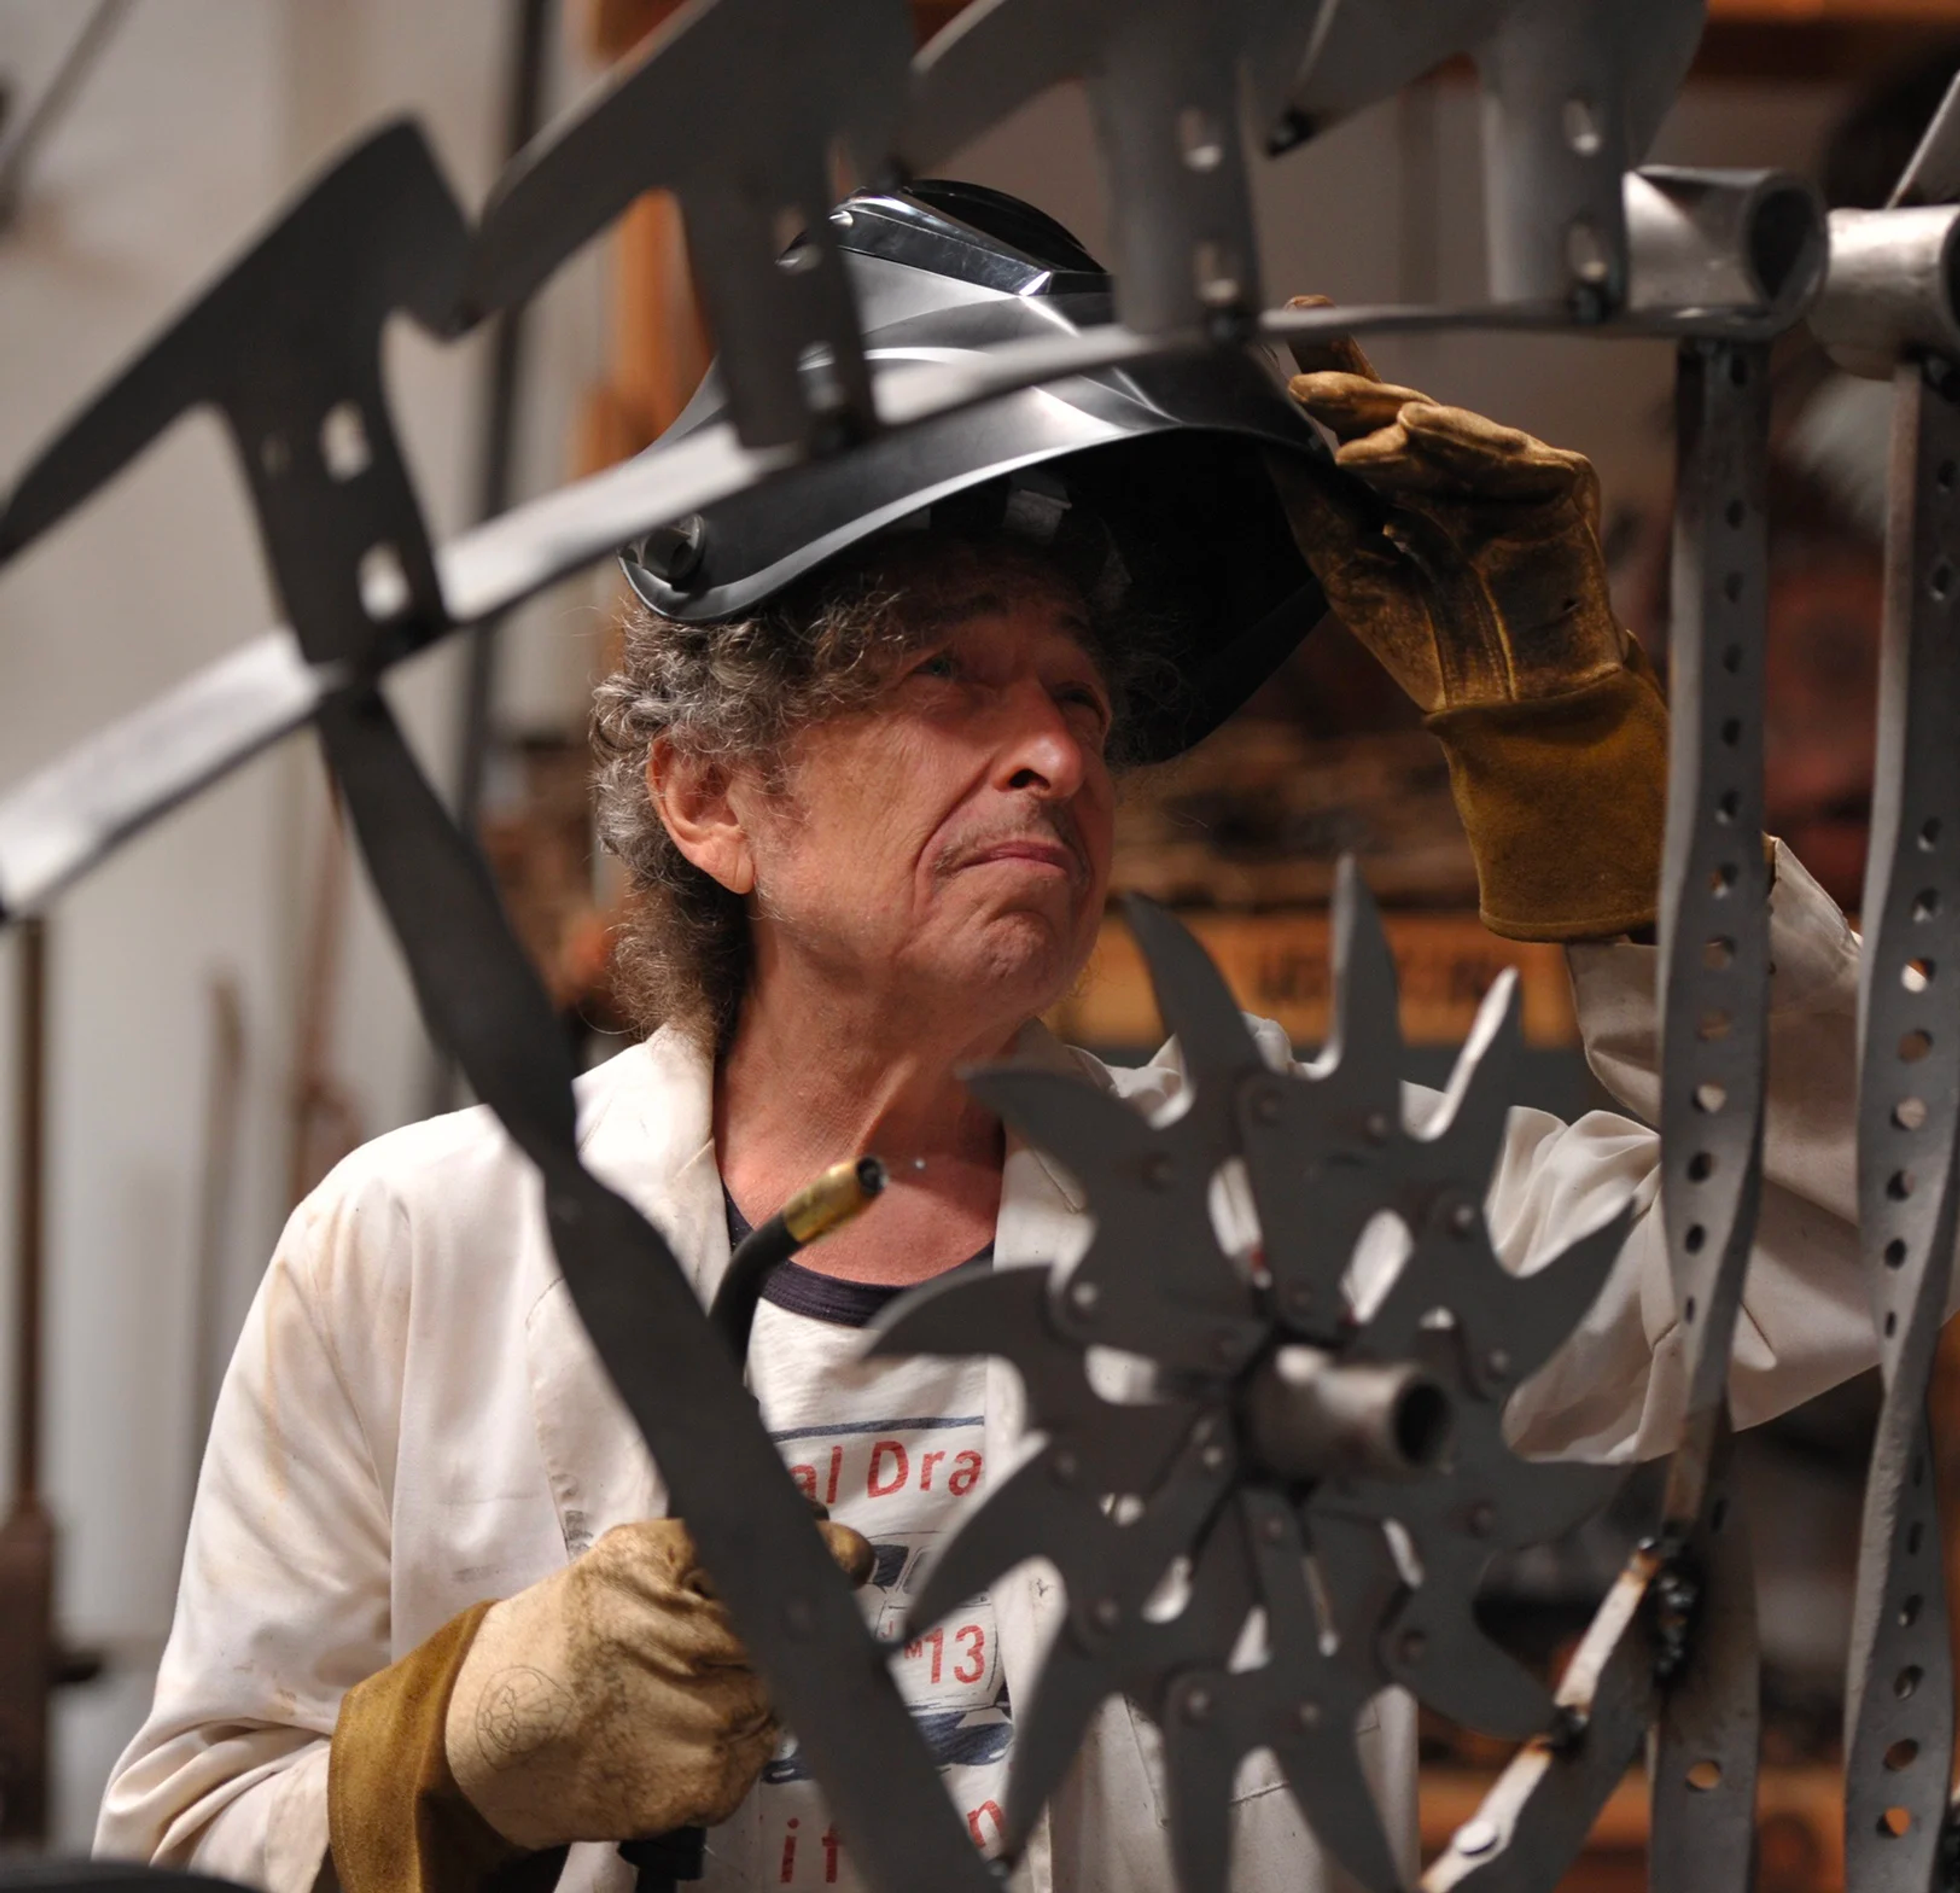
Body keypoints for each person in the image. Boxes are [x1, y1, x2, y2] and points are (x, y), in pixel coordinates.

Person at [99, 185, 1888, 1893]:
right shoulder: (414, 1249)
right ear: (714, 795)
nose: (1055, 754)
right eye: (948, 675)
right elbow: (182, 1844)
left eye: (1084, 699)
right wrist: (466, 1745)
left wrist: (1583, 757)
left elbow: (1833, 1231)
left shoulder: (1288, 1202)